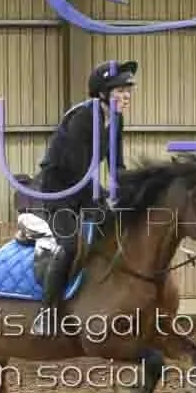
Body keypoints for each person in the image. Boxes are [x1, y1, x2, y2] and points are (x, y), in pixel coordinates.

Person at [29, 59, 137, 336]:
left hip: (84, 188)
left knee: (116, 234)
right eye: (120, 91)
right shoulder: (82, 118)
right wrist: (102, 196)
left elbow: (117, 166)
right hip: (59, 192)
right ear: (102, 93)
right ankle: (46, 313)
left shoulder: (116, 119)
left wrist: (130, 192)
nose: (126, 96)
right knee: (69, 246)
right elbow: (77, 168)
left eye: (128, 91)